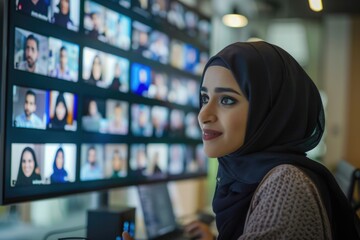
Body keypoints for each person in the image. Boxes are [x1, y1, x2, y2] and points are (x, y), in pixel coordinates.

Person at [123, 41, 360, 239]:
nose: (203, 115)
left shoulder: (287, 184)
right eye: (205, 98)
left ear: (269, 112)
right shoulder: (248, 176)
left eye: (226, 100)